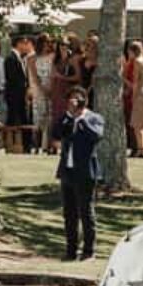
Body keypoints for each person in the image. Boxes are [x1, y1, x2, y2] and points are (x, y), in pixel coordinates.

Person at [55, 88, 104, 260]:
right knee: (69, 214)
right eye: (70, 99)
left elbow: (96, 136)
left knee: (86, 212)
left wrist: (81, 120)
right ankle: (71, 250)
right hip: (68, 171)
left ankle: (89, 250)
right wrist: (69, 117)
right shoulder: (67, 119)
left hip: (85, 172)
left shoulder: (94, 118)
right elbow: (57, 133)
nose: (72, 102)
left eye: (76, 99)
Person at [125, 39, 143, 155]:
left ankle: (141, 148)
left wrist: (132, 94)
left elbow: (136, 82)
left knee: (138, 124)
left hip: (141, 93)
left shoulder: (137, 61)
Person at [3, 37, 32, 150]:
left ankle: (26, 144)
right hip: (14, 95)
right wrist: (23, 89)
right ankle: (12, 145)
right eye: (25, 43)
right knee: (13, 119)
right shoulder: (10, 58)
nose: (26, 46)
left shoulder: (20, 58)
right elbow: (12, 78)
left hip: (20, 95)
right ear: (19, 44)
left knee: (24, 119)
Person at [32, 35, 58, 151]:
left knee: (51, 118)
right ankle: (36, 145)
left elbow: (54, 73)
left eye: (50, 42)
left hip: (52, 88)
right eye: (46, 42)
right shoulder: (33, 58)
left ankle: (49, 145)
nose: (48, 44)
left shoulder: (53, 57)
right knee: (39, 118)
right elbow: (34, 76)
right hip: (39, 90)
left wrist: (51, 89)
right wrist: (42, 89)